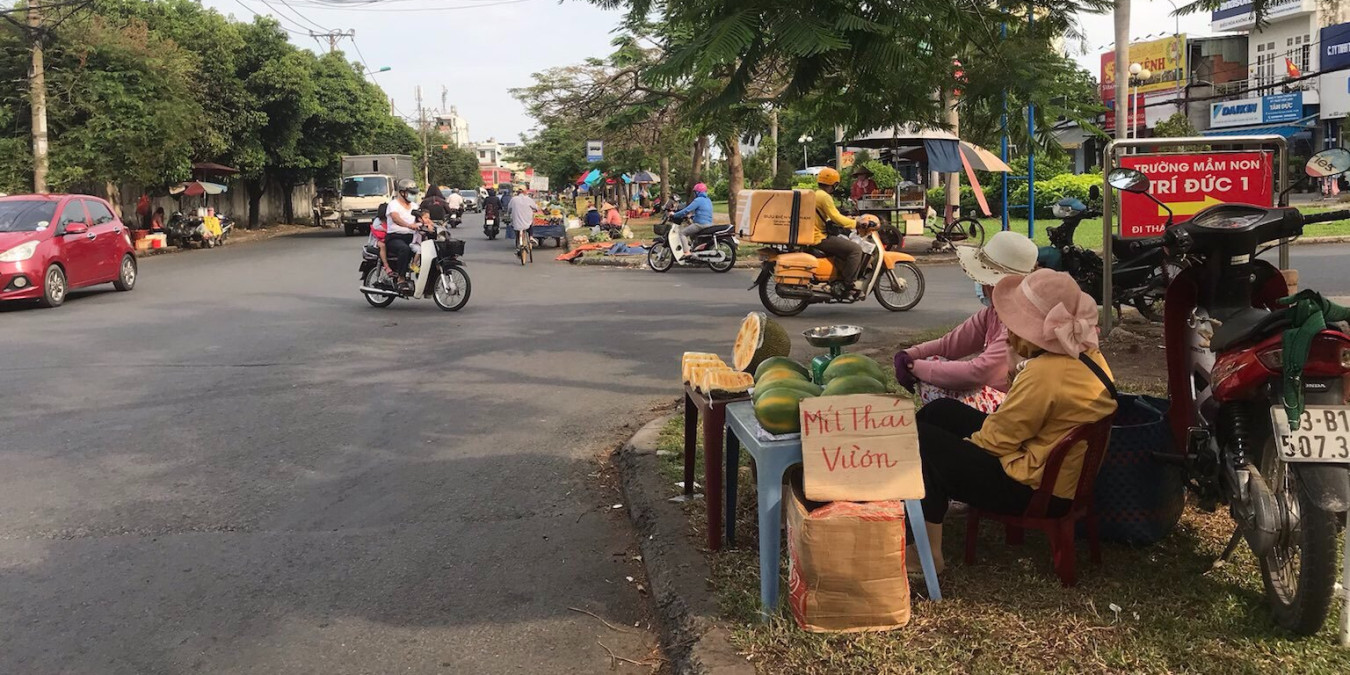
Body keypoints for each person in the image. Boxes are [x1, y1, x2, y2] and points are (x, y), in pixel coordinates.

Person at [912, 269, 1117, 573]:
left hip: (1035, 488)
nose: (1009, 331)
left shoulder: (1044, 373)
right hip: (1053, 472)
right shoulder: (1086, 355)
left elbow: (997, 440)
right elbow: (1021, 421)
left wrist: (954, 453)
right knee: (939, 411)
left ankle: (927, 554)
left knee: (924, 443)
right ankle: (923, 507)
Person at [894, 231, 1039, 412]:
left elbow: (978, 372)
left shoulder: (1018, 322)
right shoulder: (994, 313)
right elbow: (950, 344)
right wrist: (910, 354)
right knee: (933, 363)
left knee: (936, 395)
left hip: (1019, 406)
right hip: (1008, 397)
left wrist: (913, 367)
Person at [812, 167, 863, 294]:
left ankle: (838, 276)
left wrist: (847, 218)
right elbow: (835, 217)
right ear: (833, 184)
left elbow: (829, 215)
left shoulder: (816, 194)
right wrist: (855, 223)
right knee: (856, 250)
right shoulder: (825, 197)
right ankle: (847, 284)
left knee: (844, 242)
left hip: (814, 234)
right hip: (819, 237)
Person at [385, 179, 420, 289]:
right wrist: (408, 225)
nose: (413, 196)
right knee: (404, 249)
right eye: (411, 193)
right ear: (402, 192)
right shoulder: (393, 205)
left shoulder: (415, 206)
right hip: (395, 237)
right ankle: (401, 278)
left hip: (412, 237)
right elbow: (396, 218)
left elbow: (422, 217)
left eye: (415, 193)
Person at [672, 183, 714, 257]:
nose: (694, 194)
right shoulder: (708, 200)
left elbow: (687, 210)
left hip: (700, 225)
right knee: (692, 234)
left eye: (695, 192)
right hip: (709, 224)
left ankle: (687, 253)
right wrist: (692, 216)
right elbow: (704, 212)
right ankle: (695, 250)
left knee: (682, 233)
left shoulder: (698, 200)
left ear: (697, 192)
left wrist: (675, 215)